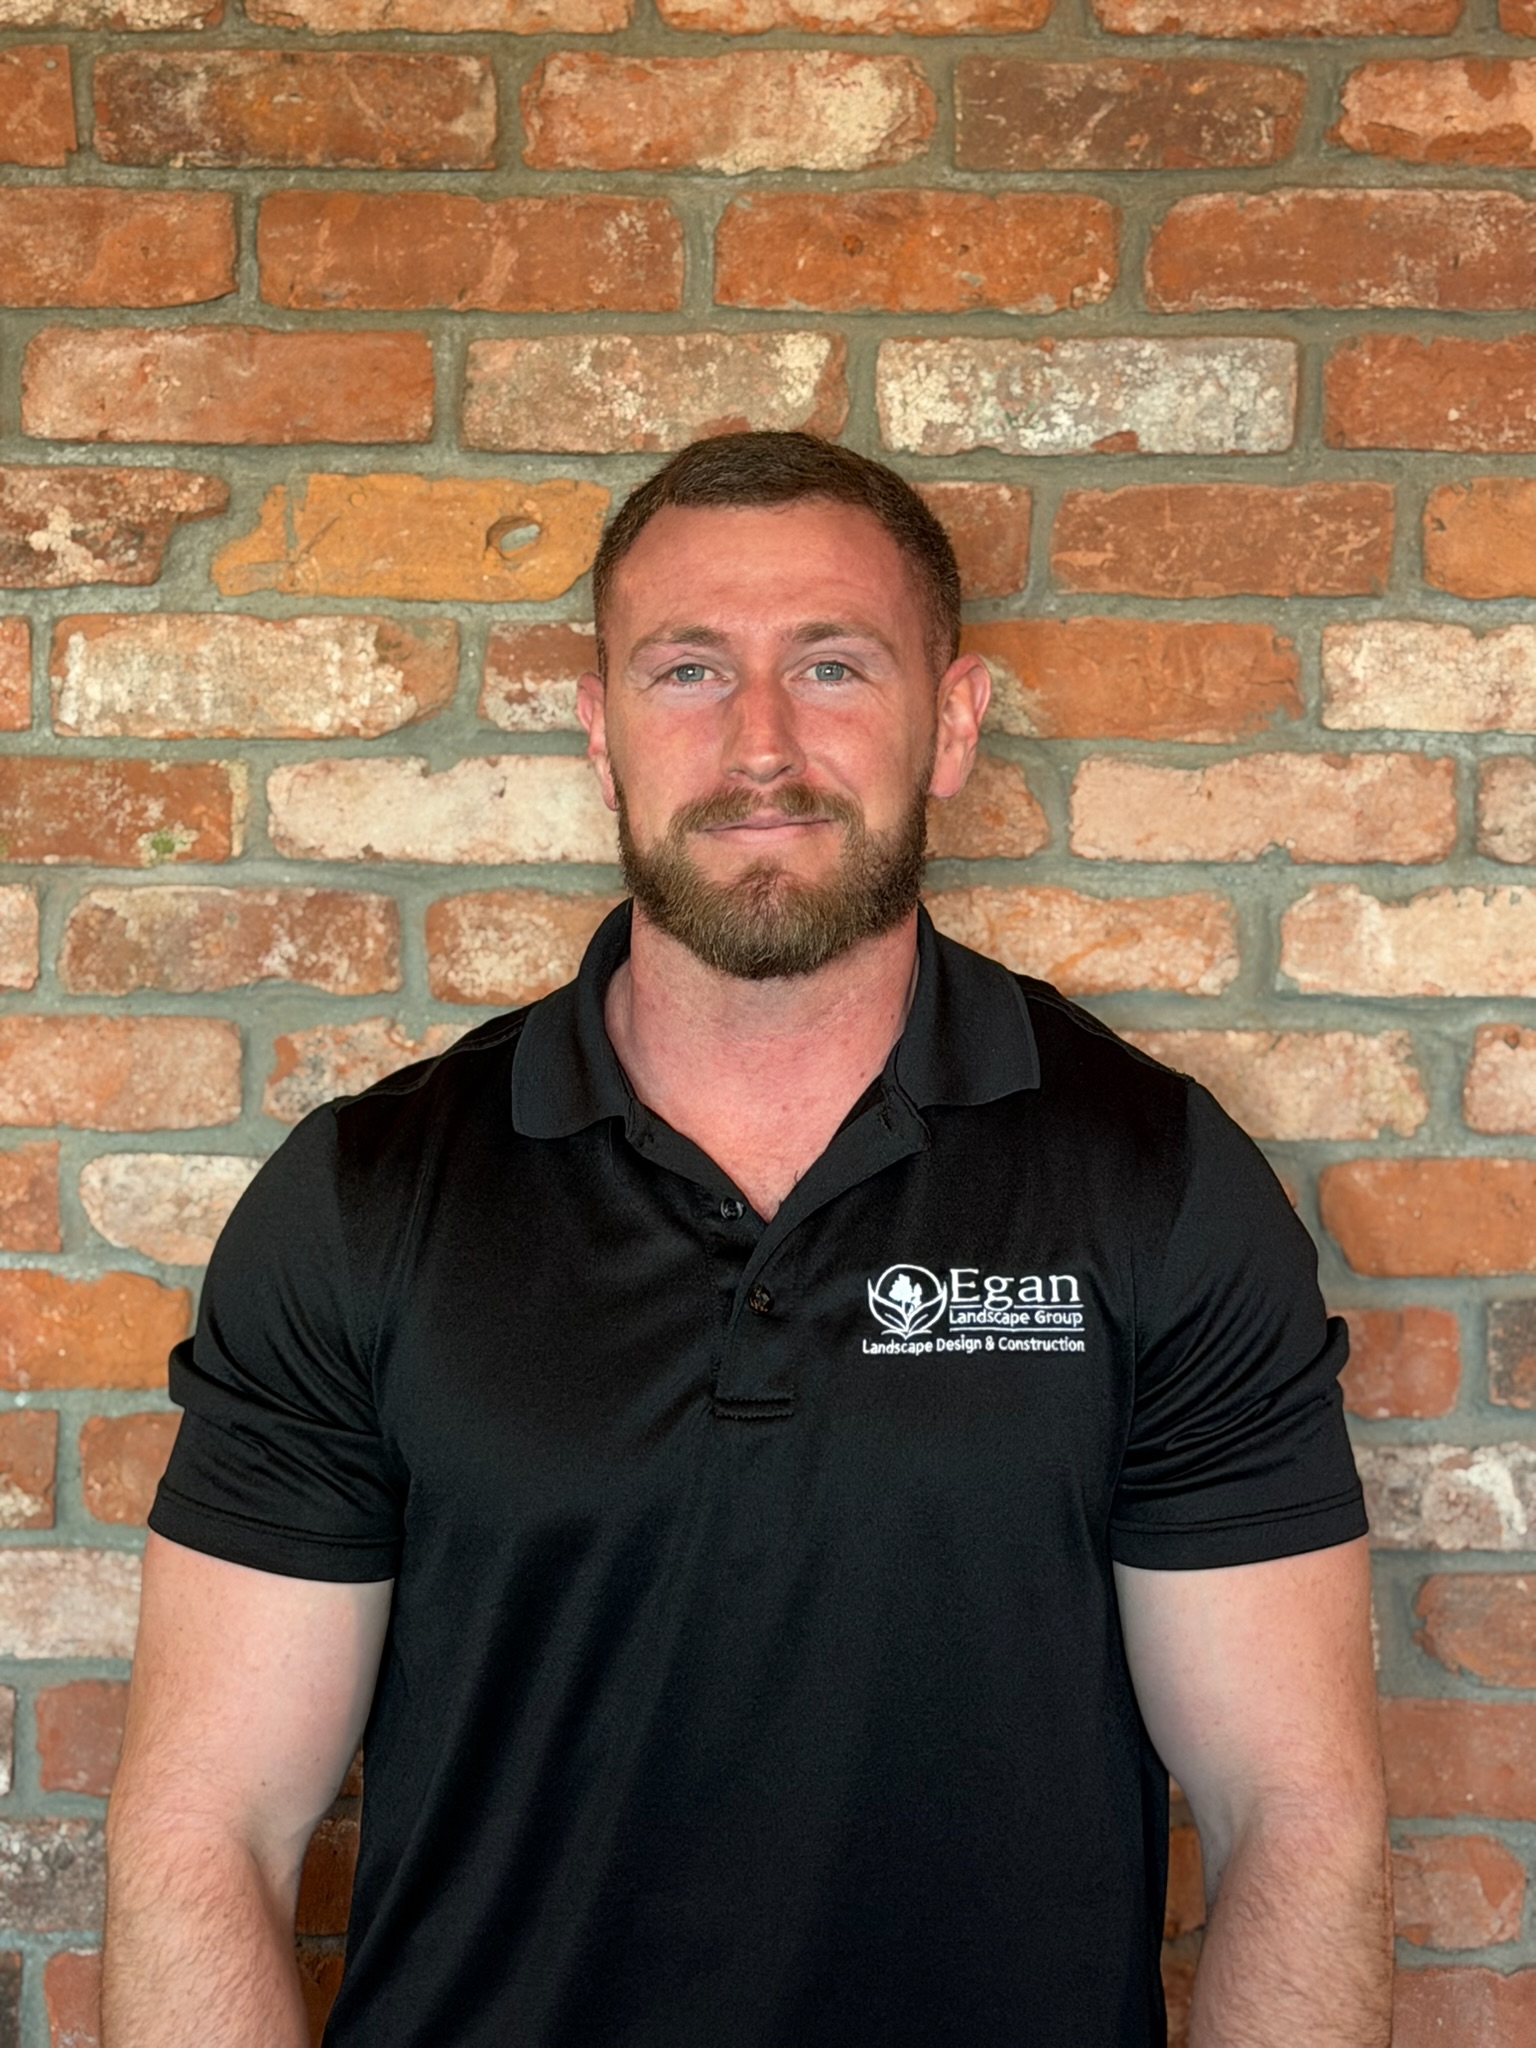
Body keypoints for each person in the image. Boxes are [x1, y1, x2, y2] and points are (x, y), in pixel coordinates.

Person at [104, 432, 1391, 2048]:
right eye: (689, 669)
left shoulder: (1155, 1181)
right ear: (601, 730)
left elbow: (1298, 1816)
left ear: (955, 725)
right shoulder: (366, 1199)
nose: (761, 743)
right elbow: (203, 1829)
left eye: (834, 665)